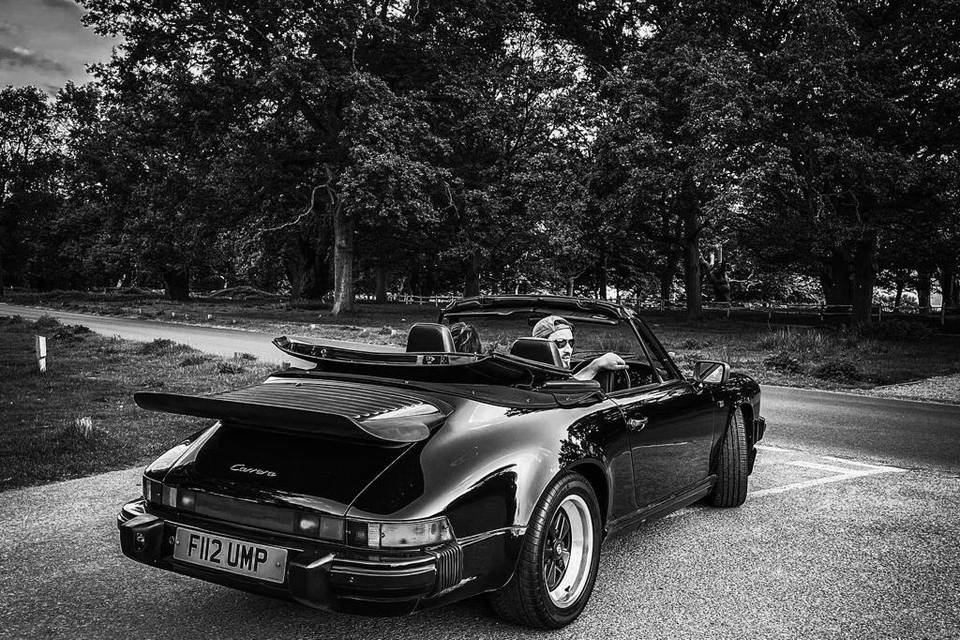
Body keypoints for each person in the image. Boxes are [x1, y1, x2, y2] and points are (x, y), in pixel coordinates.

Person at [531, 315, 628, 380]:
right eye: (561, 342)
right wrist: (595, 366)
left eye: (571, 342)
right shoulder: (533, 376)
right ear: (541, 346)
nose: (568, 350)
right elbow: (564, 392)